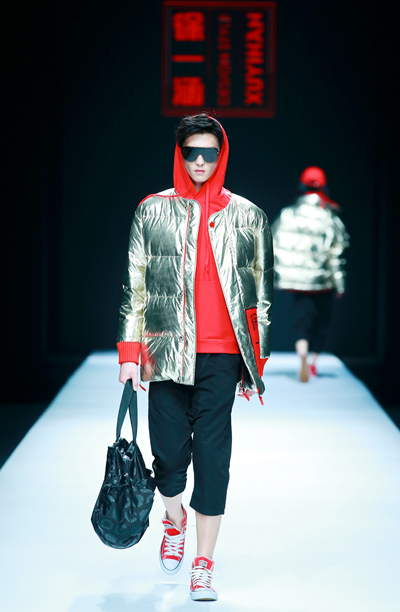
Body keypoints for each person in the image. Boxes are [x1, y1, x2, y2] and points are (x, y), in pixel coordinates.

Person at [117, 113, 273, 601]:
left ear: (221, 155)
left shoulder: (248, 215)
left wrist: (256, 363)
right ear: (180, 154)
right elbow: (135, 288)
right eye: (192, 152)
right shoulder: (152, 210)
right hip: (166, 350)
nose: (201, 161)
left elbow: (261, 294)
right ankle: (174, 517)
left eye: (210, 153)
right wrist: (129, 352)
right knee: (167, 458)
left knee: (212, 457)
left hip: (222, 353)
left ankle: (203, 563)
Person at [271, 166, 349, 382]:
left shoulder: (288, 214)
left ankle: (302, 356)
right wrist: (340, 284)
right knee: (321, 323)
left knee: (302, 321)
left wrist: (276, 277)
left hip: (298, 283)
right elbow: (336, 254)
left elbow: (273, 246)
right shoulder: (328, 216)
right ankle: (312, 363)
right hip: (323, 282)